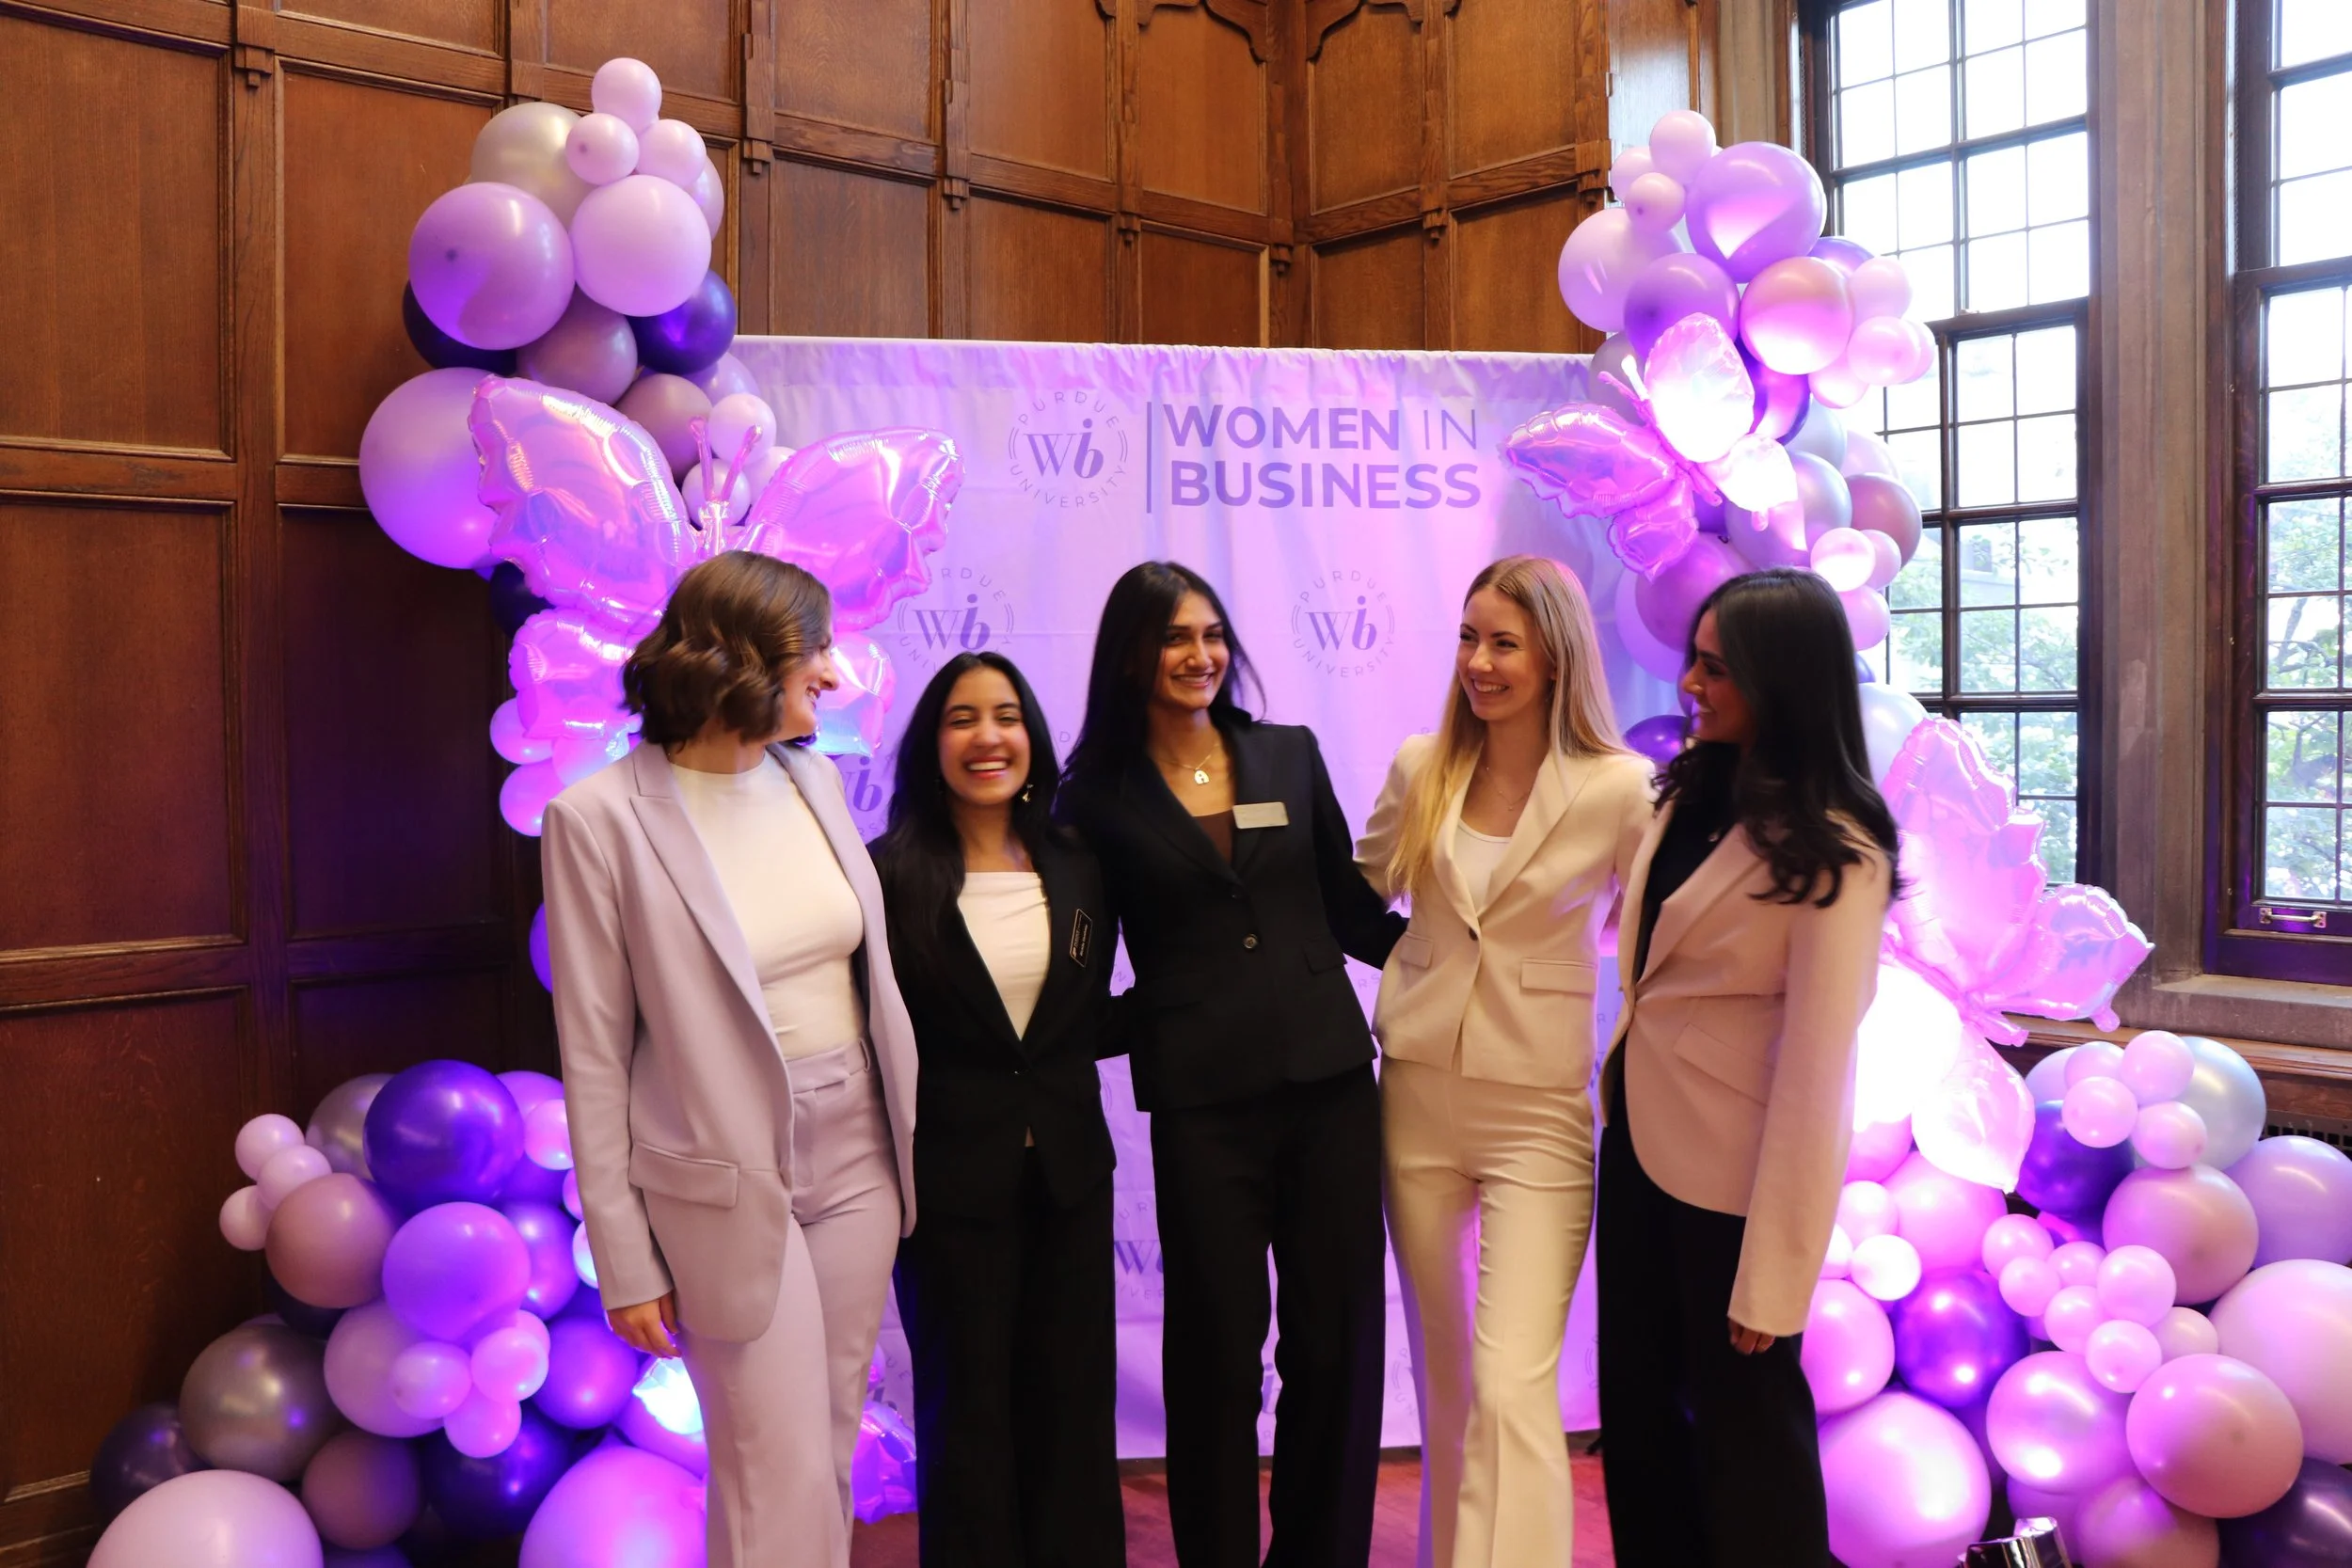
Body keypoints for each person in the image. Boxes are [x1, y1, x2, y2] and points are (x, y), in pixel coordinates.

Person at [541, 551, 919, 1568]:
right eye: (818, 649)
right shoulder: (597, 820)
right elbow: (593, 1051)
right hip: (721, 1179)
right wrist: (623, 1256)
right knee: (771, 1455)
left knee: (828, 1439)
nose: (835, 674)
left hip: (858, 1155)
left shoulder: (814, 781)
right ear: (745, 657)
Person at [1058, 562, 1406, 1568]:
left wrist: (1463, 954)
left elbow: (1347, 911)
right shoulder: (1094, 797)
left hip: (1331, 1089)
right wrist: (1132, 1022)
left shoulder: (1288, 756)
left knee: (1333, 1348)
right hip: (1203, 1107)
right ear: (1131, 655)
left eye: (1211, 633)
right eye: (1174, 637)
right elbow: (1081, 965)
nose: (1199, 654)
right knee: (1215, 1353)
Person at [1595, 566, 1898, 1568]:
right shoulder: (1682, 793)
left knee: (1749, 1448)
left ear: (1782, 680)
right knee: (1637, 1431)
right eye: (1693, 656)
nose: (1687, 680)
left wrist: (1774, 1276)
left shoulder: (1838, 851)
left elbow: (1817, 1079)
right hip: (1637, 1154)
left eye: (1715, 666)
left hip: (1735, 1190)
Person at [1354, 556, 1652, 1568]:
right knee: (1445, 1377)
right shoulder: (1419, 763)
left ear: (1556, 652)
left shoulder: (1619, 787)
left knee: (1513, 1380)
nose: (1479, 662)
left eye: (1504, 642)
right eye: (1469, 638)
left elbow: (1659, 943)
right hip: (1418, 1094)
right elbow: (1358, 898)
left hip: (1540, 1108)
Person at [868, 652, 1126, 1568]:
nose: (988, 737)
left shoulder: (1079, 863)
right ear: (931, 740)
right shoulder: (887, 875)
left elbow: (1084, 1014)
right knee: (966, 1409)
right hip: (946, 1188)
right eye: (963, 717)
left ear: (1032, 734)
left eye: (1007, 714)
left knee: (1071, 1403)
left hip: (1066, 1174)